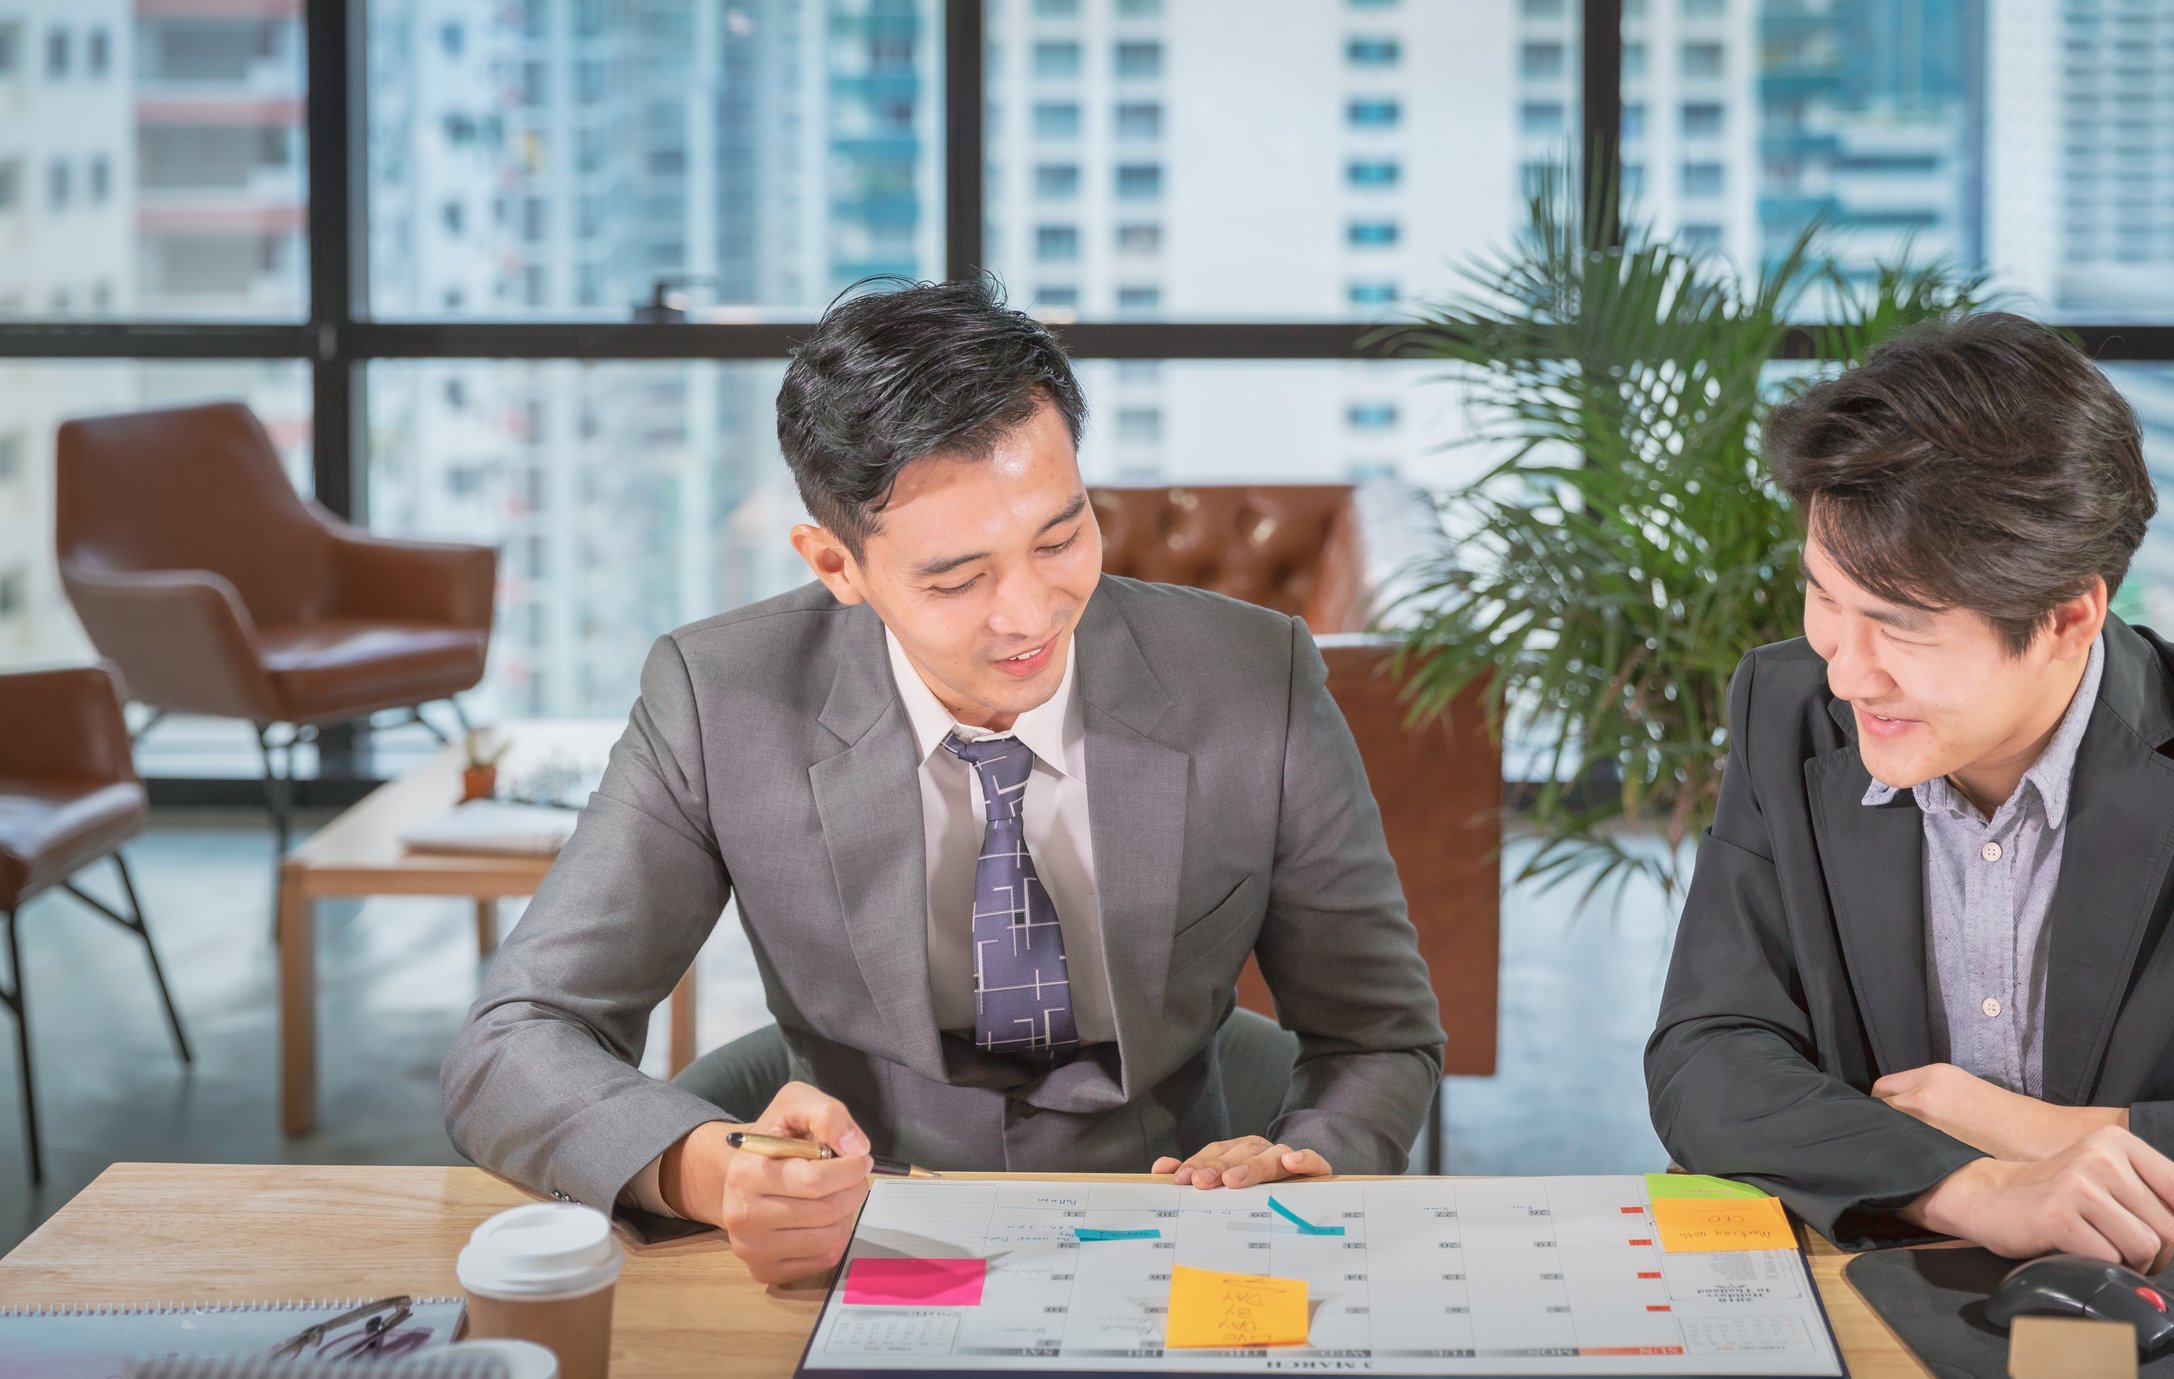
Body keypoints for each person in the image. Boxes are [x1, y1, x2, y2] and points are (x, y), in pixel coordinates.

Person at [442, 277, 1445, 1283]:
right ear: (836, 565)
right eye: (959, 578)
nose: (1031, 614)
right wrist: (705, 1167)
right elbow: (515, 1039)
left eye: (1060, 537)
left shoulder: (1253, 677)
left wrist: (1315, 1156)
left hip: (1174, 1217)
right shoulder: (720, 700)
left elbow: (1378, 1032)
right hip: (859, 1228)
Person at [1647, 311, 2174, 1267]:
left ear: (2068, 617)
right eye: (1824, 595)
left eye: (1901, 624)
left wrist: (2028, 1127)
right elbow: (1709, 1055)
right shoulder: (1789, 708)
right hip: (1880, 1278)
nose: (1847, 672)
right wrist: (1970, 1184)